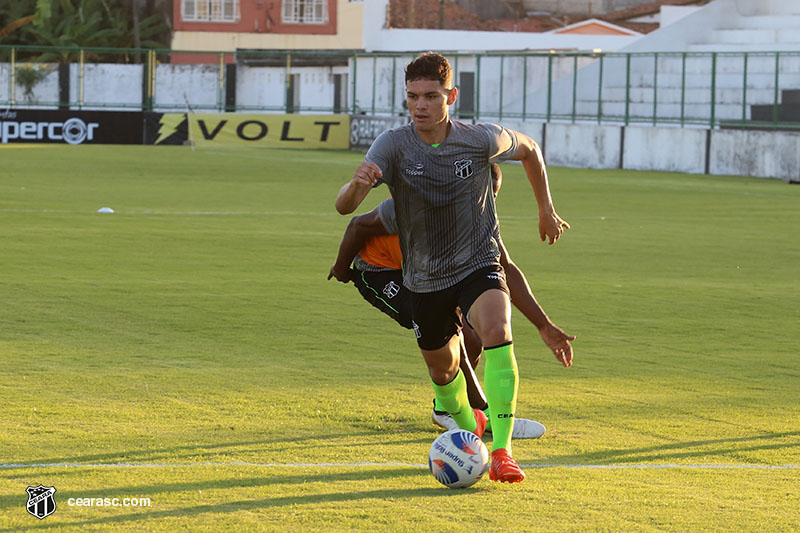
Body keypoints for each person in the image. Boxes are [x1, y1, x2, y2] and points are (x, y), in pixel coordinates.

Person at [334, 52, 570, 483]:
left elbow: (531, 150)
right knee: (443, 373)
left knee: (497, 331)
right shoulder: (392, 145)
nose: (420, 105)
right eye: (412, 97)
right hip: (423, 279)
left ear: (451, 97)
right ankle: (471, 425)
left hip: (476, 265)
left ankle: (502, 451)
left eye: (430, 96)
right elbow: (344, 208)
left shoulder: (480, 139)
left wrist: (545, 210)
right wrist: (357, 184)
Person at [328, 164, 574, 440]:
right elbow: (357, 225)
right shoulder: (416, 207)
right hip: (379, 271)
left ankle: (446, 409)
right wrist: (341, 270)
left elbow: (505, 266)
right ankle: (484, 412)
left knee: (475, 336)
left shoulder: (482, 217)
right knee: (449, 329)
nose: (483, 203)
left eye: (490, 197)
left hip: (427, 275)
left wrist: (544, 325)